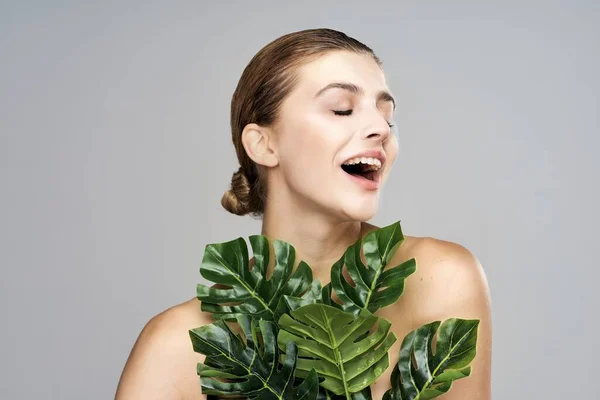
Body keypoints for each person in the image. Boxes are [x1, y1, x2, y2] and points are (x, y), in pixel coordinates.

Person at [114, 28, 492, 400]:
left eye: (387, 116)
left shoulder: (441, 279)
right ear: (263, 145)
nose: (380, 129)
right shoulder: (175, 346)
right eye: (341, 109)